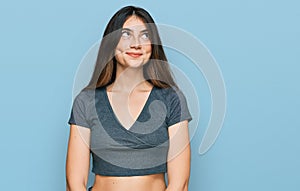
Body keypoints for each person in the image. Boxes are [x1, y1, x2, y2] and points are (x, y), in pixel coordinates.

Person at [66, 5, 192, 191]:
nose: (136, 44)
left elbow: (179, 184)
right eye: (126, 34)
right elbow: (74, 183)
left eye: (145, 35)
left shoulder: (172, 99)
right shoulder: (86, 101)